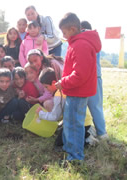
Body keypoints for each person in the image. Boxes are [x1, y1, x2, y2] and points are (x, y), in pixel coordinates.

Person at [55, 12, 101, 161]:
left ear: (73, 29)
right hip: (74, 91)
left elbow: (80, 75)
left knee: (75, 125)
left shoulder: (81, 45)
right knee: (69, 122)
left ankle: (75, 157)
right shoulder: (76, 42)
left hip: (78, 92)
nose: (64, 35)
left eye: (64, 32)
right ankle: (70, 149)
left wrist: (63, 83)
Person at [80, 20, 108, 140]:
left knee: (82, 106)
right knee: (97, 106)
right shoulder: (94, 40)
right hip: (97, 76)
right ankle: (102, 132)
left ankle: (86, 131)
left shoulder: (83, 40)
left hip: (87, 78)